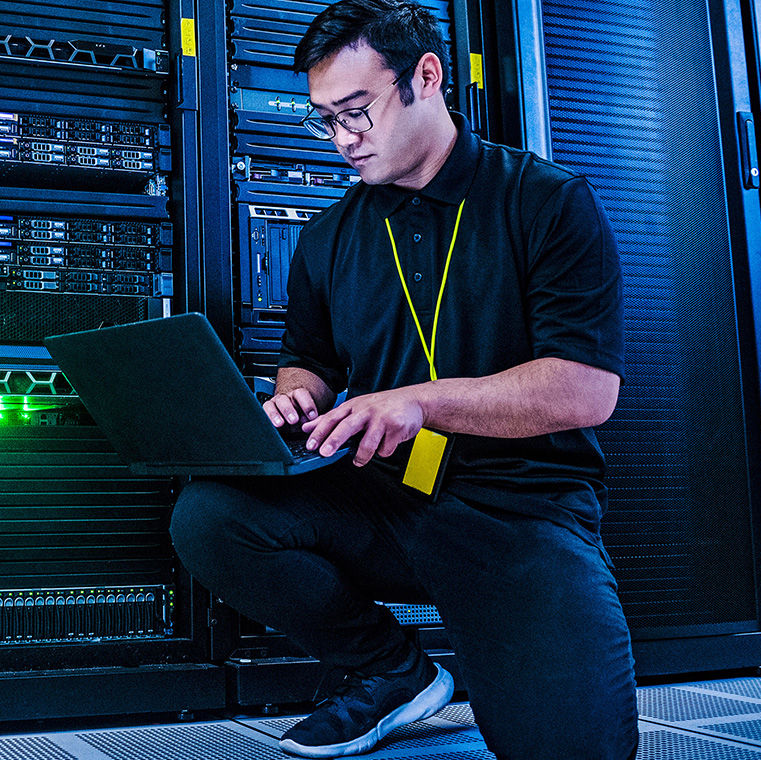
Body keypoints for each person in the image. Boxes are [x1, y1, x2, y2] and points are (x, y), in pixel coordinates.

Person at [168, 1, 639, 757]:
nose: (343, 140)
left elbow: (584, 390)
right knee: (211, 515)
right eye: (325, 120)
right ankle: (390, 672)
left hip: (522, 511)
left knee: (572, 748)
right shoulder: (327, 235)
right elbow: (310, 360)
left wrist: (418, 401)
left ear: (427, 76)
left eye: (357, 112)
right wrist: (300, 396)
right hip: (384, 495)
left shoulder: (546, 202)